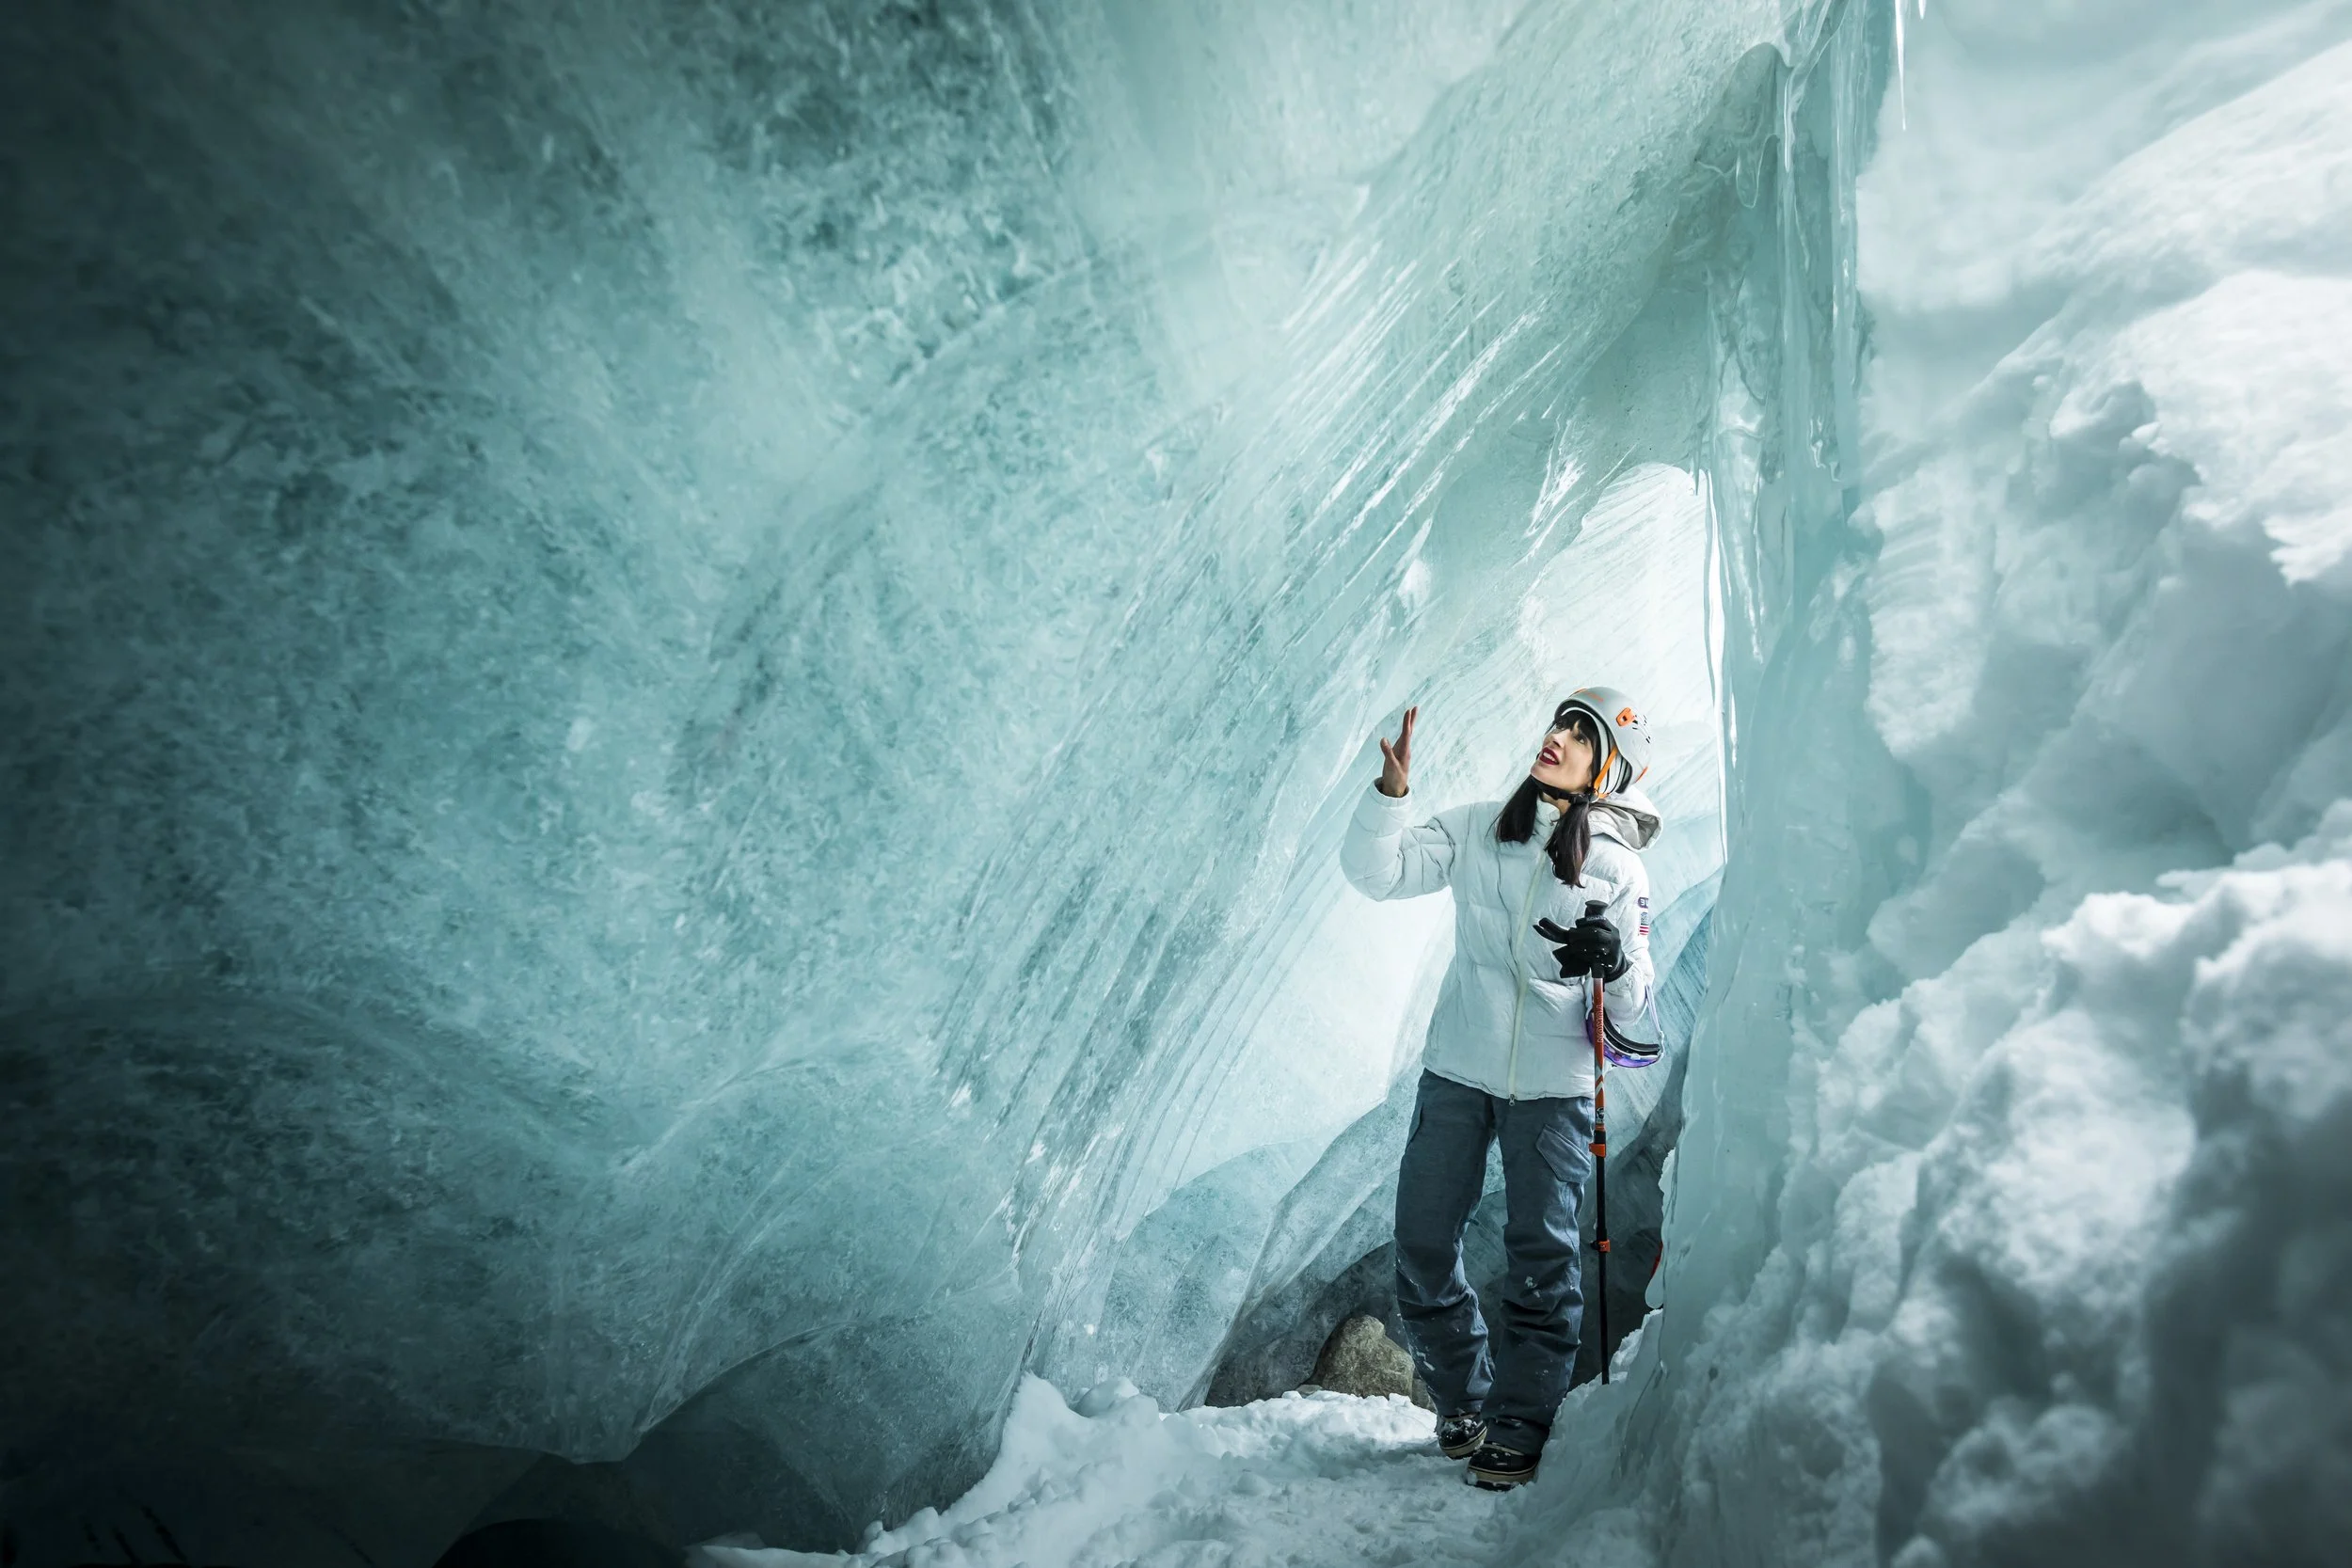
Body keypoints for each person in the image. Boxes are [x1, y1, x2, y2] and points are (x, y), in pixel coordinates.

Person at [1340, 689, 1661, 1490]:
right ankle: (1464, 1399)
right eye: (1558, 722)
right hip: (1458, 1067)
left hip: (1553, 1091)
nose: (1555, 736)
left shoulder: (1619, 872)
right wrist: (1391, 796)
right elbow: (1375, 872)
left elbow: (1639, 1022)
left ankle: (1522, 1417)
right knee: (1420, 1238)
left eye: (1579, 734)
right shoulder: (1482, 825)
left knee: (1542, 1260)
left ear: (1606, 770)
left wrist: (1614, 960)